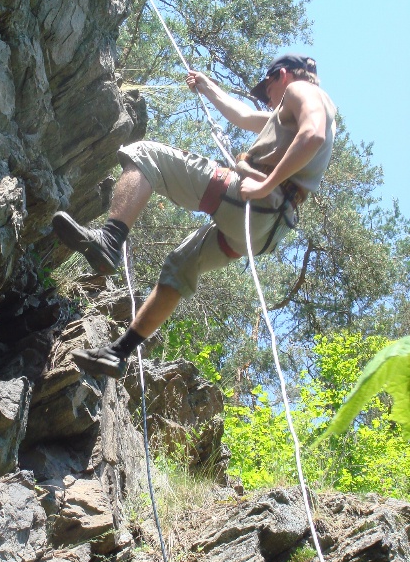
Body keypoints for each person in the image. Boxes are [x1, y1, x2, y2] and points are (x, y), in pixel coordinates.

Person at [52, 53, 337, 378]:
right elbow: (243, 116)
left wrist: (264, 185)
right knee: (182, 264)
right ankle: (119, 353)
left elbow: (311, 135)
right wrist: (207, 86)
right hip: (264, 230)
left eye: (267, 89)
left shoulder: (301, 91)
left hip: (256, 200)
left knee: (146, 155)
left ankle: (110, 239)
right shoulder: (288, 115)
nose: (267, 98)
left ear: (281, 75)